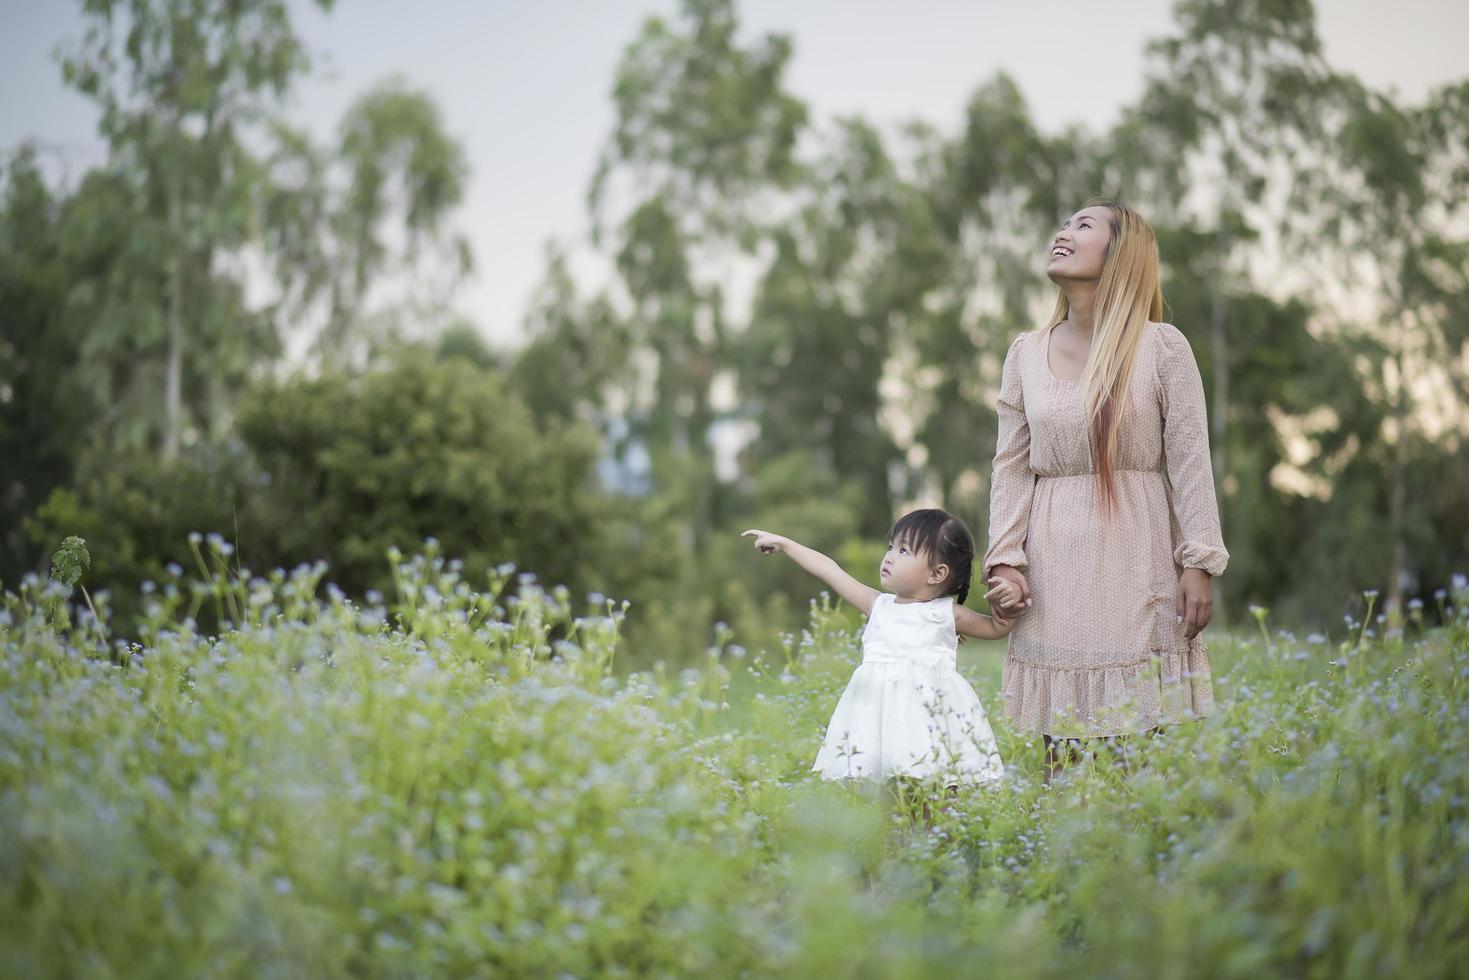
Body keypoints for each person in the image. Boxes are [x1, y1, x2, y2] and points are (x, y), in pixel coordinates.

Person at [982, 197, 1230, 781]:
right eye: (1064, 222)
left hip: (1137, 552)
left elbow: (1192, 460)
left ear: (1119, 252)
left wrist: (1199, 560)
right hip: (1052, 561)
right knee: (1061, 754)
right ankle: (1062, 862)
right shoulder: (1025, 353)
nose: (1062, 232)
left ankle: (1137, 860)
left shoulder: (1162, 347)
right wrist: (1005, 562)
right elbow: (1010, 467)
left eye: (1083, 225)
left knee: (1135, 743)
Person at [742, 509, 1017, 798]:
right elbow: (829, 570)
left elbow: (997, 627)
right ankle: (898, 840)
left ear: (937, 573)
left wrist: (1009, 603)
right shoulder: (878, 605)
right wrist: (786, 544)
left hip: (930, 718)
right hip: (881, 718)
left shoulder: (946, 613)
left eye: (903, 550)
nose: (889, 557)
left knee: (938, 786)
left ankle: (937, 839)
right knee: (889, 791)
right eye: (891, 547)